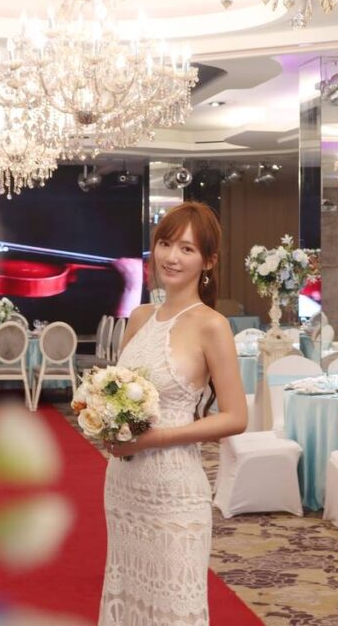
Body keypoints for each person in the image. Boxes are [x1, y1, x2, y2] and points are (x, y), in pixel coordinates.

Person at [98, 202, 247, 626]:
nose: (172, 257)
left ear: (208, 262)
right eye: (165, 244)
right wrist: (105, 420)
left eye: (187, 248)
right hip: (124, 482)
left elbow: (236, 417)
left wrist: (155, 438)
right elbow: (118, 392)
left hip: (174, 489)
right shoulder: (140, 316)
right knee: (129, 595)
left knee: (174, 608)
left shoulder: (212, 325)